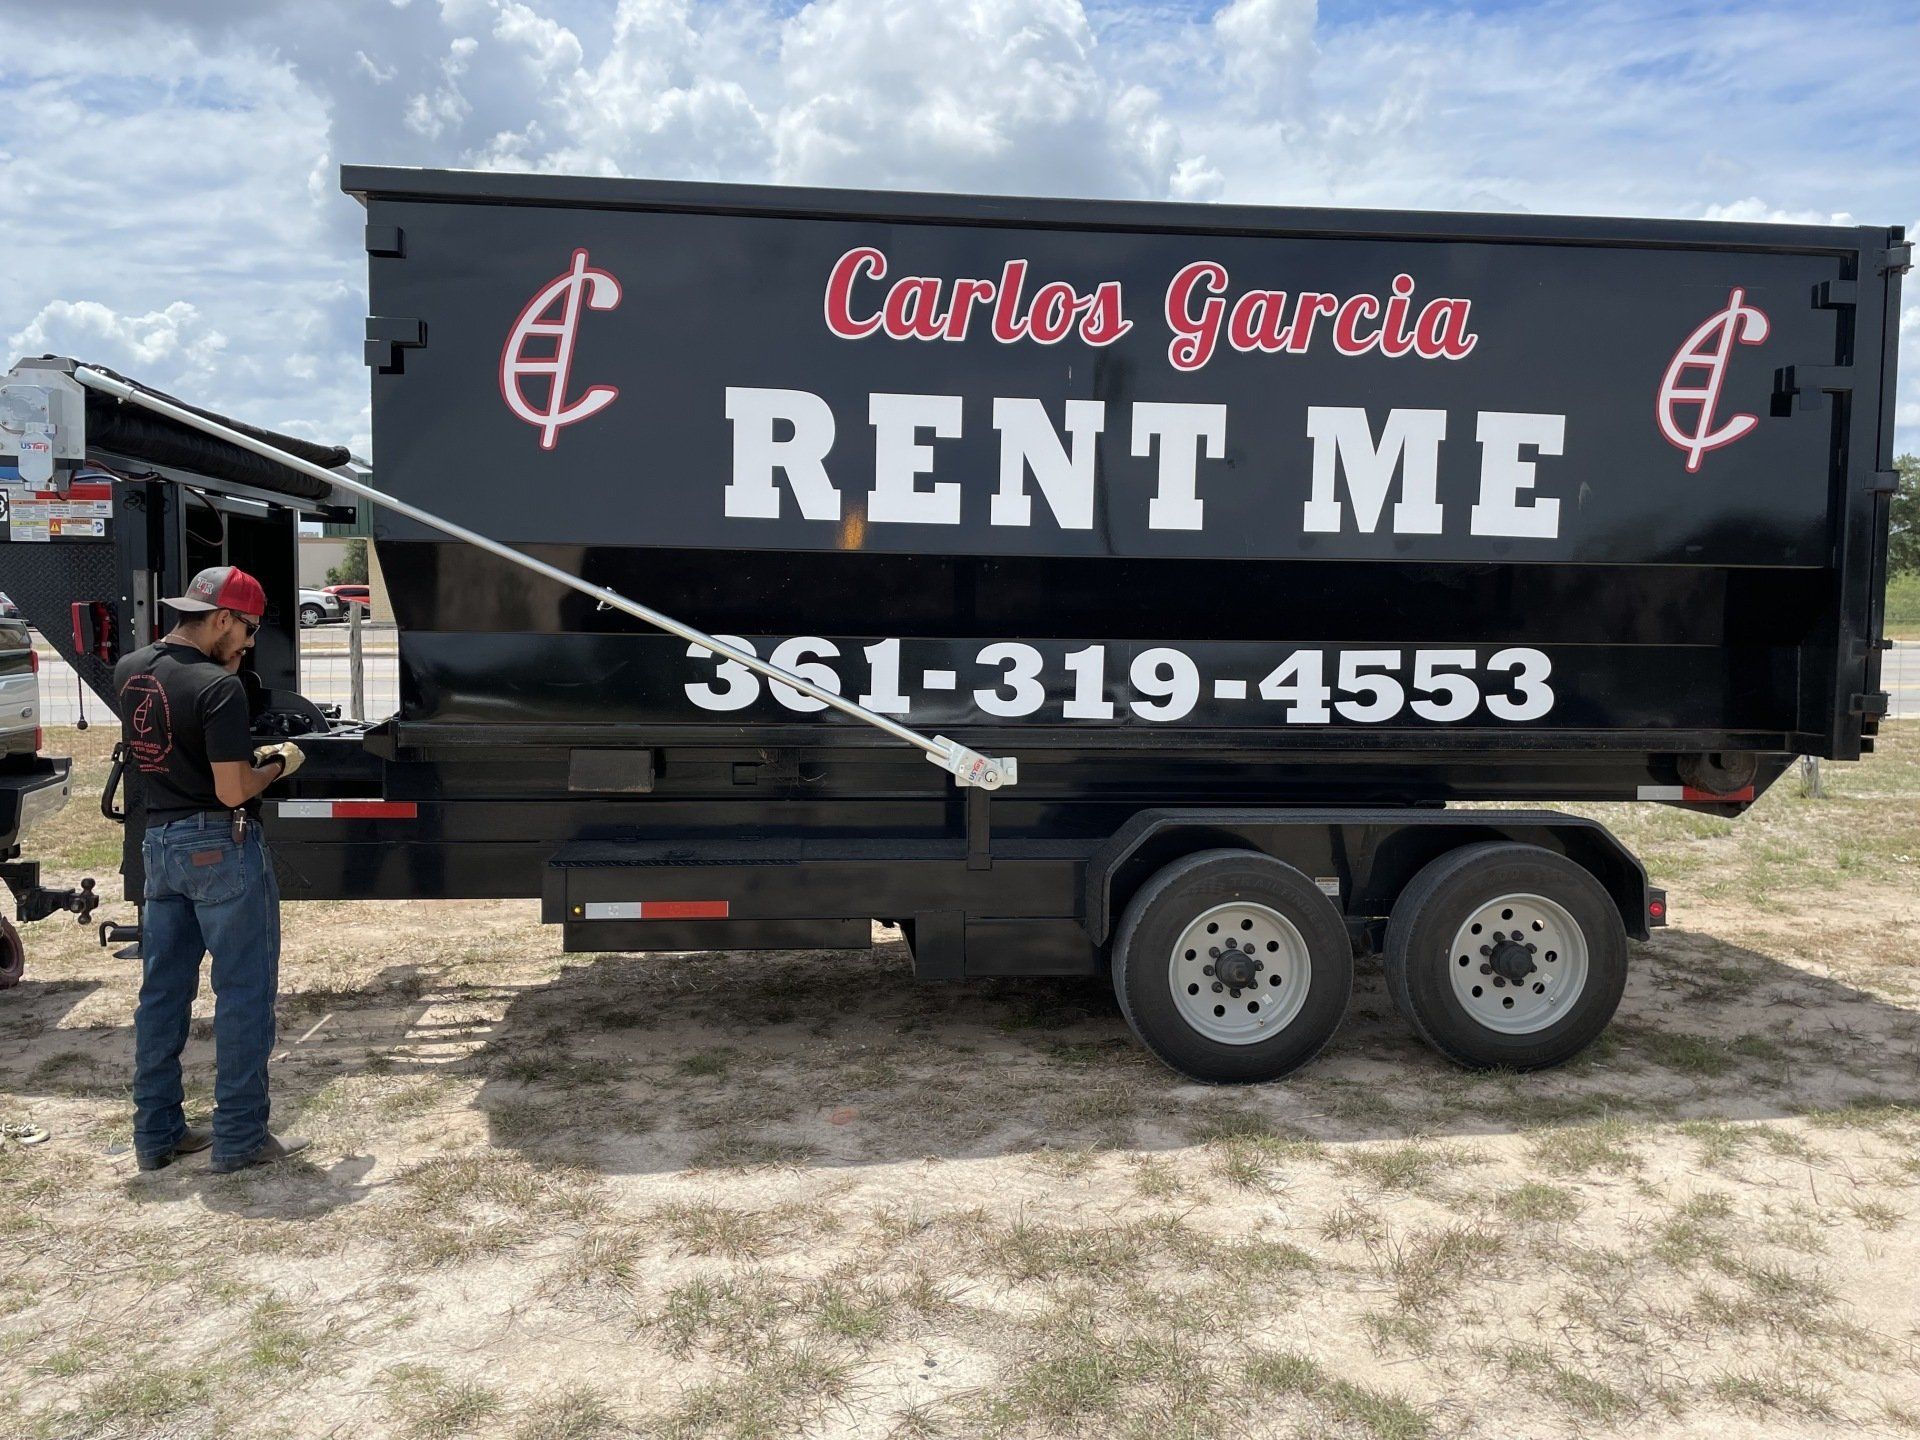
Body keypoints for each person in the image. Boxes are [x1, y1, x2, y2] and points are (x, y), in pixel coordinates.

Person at [114, 566, 308, 1173]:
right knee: (244, 992)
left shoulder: (131, 670)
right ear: (223, 618)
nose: (248, 645)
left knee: (162, 994)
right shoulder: (218, 688)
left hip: (159, 844)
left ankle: (157, 1135)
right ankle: (242, 1137)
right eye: (248, 630)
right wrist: (277, 763)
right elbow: (231, 790)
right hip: (220, 845)